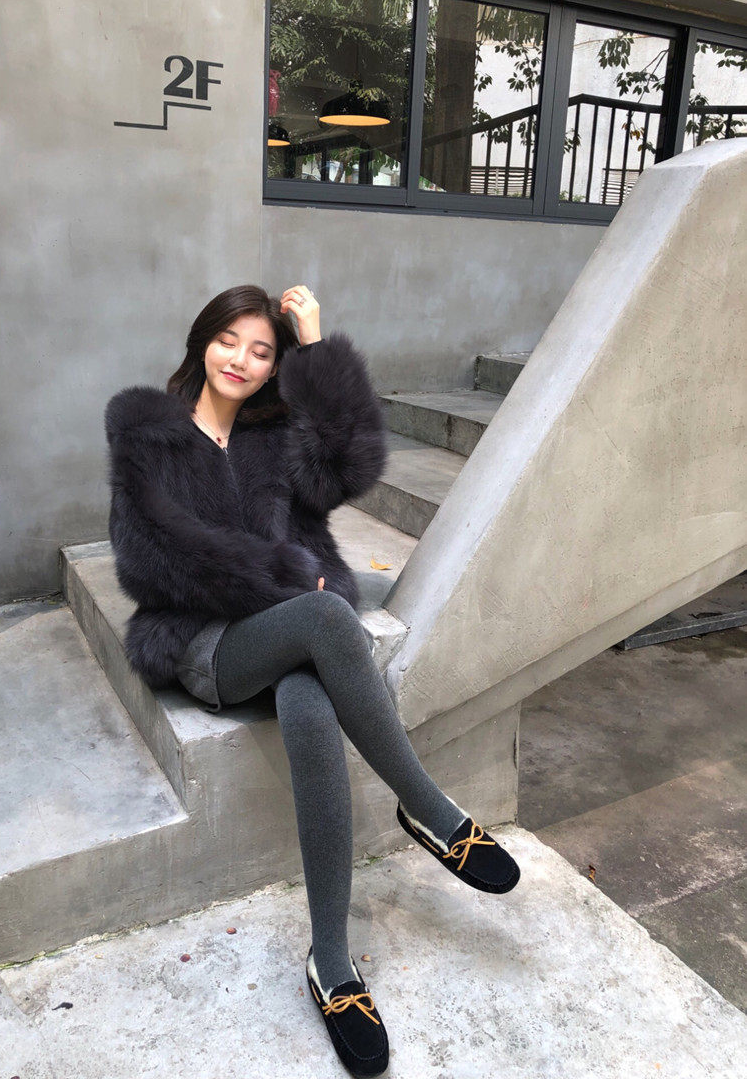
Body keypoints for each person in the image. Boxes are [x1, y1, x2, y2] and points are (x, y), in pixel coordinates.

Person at [104, 284, 520, 1078]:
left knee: (308, 703)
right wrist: (286, 580)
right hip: (206, 641)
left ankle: (331, 966)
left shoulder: (273, 435)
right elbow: (151, 558)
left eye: (263, 351)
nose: (242, 360)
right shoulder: (148, 433)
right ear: (201, 341)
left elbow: (349, 469)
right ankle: (428, 808)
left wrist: (319, 346)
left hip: (287, 630)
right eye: (229, 341)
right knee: (328, 617)